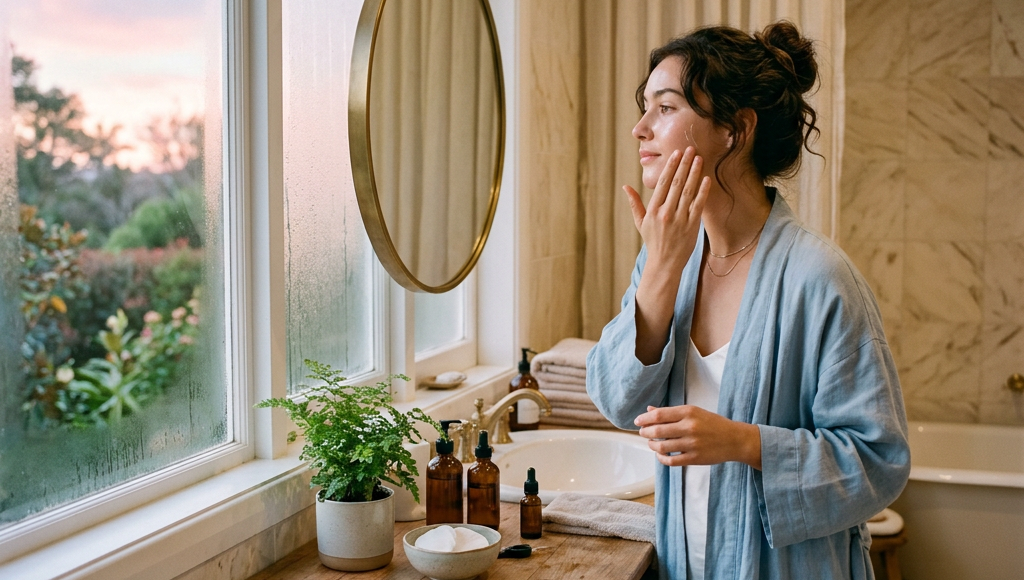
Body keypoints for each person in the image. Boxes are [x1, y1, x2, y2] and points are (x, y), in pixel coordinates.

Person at [585, 21, 910, 580]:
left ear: (735, 130)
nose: (640, 129)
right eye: (644, 107)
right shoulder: (668, 259)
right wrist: (660, 268)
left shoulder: (820, 277)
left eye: (665, 108)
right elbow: (616, 402)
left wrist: (744, 442)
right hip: (687, 563)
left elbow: (879, 462)